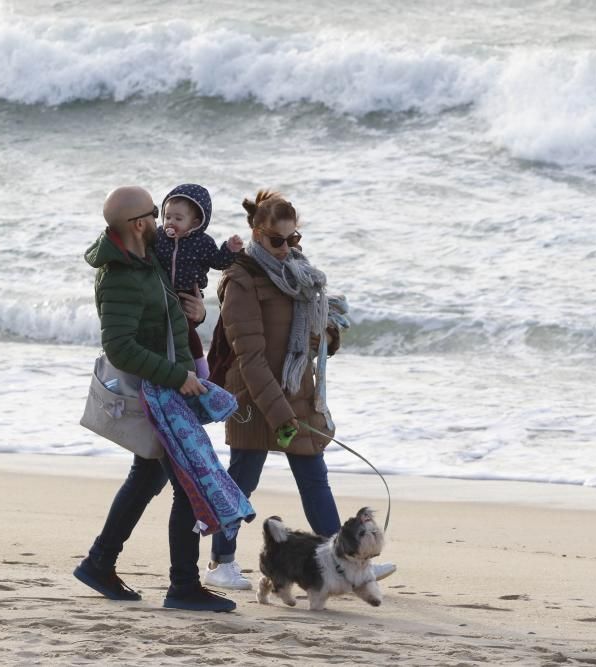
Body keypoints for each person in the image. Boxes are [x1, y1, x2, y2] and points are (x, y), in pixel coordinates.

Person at [203, 190, 396, 590]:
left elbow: (309, 337)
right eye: (278, 240)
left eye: (294, 240)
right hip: (254, 397)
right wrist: (279, 413)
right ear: (256, 233)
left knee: (313, 476)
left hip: (296, 389)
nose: (287, 248)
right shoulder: (241, 279)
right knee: (241, 479)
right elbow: (251, 358)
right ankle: (221, 562)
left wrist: (327, 337)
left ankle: (346, 566)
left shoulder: (299, 275)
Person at [73, 185, 236, 612]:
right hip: (155, 391)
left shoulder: (147, 260)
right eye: (154, 213)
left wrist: (197, 316)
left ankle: (99, 562)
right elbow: (120, 347)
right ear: (139, 223)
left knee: (149, 476)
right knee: (185, 484)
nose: (162, 221)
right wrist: (177, 377)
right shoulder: (122, 275)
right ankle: (183, 586)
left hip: (165, 387)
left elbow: (165, 315)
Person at [154, 184, 243, 379]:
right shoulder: (159, 237)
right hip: (164, 292)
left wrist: (230, 249)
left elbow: (218, 262)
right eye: (167, 217)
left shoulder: (202, 242)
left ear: (194, 222)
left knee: (185, 330)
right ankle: (171, 367)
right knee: (164, 330)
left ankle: (201, 368)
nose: (170, 223)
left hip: (188, 294)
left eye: (178, 219)